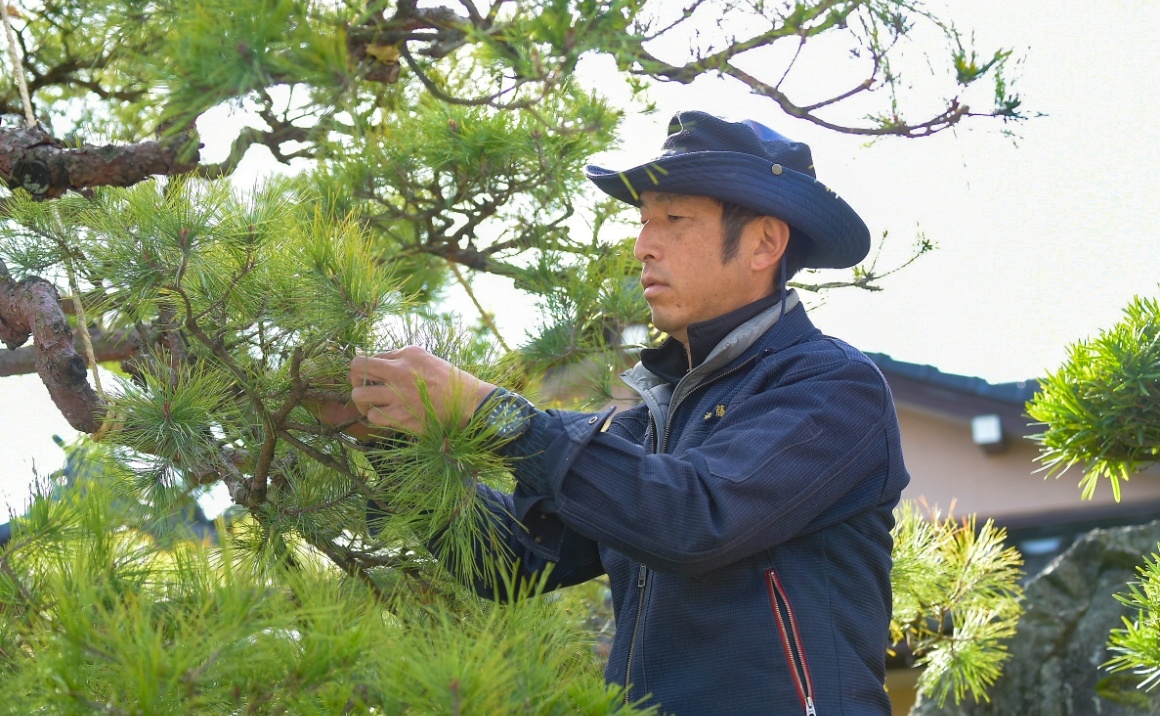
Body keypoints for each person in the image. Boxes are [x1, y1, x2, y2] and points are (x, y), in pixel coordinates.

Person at [340, 111, 910, 715]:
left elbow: (693, 517)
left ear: (765, 242)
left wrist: (488, 412)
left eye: (673, 219)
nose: (643, 246)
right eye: (642, 221)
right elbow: (511, 560)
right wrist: (386, 433)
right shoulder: (650, 415)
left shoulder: (832, 386)